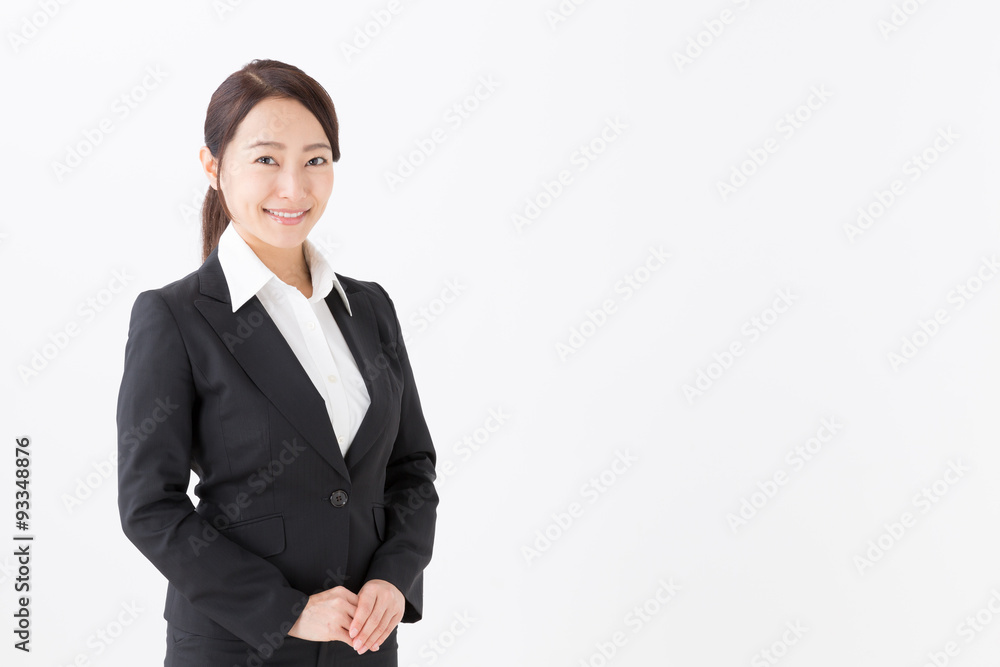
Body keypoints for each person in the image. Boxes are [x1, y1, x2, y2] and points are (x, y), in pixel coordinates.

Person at [116, 59, 438, 666]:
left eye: (315, 160)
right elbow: (150, 508)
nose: (294, 187)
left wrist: (394, 580)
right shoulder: (175, 317)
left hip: (362, 648)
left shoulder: (369, 308)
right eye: (266, 159)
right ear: (213, 166)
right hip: (235, 647)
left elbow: (412, 469)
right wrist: (287, 610)